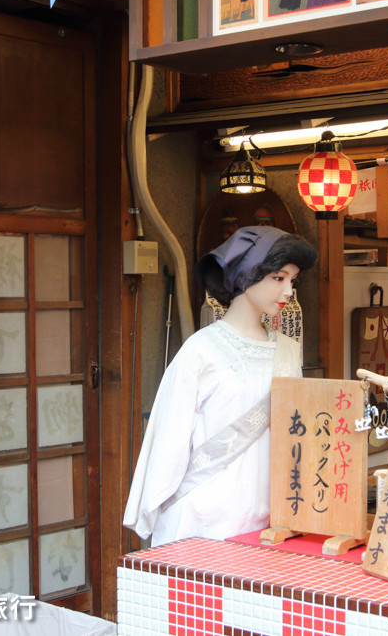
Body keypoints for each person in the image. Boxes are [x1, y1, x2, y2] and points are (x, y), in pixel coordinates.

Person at [123, 226, 318, 545]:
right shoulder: (201, 350)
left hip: (268, 516)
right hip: (204, 515)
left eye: (292, 281)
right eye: (279, 278)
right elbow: (170, 436)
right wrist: (152, 502)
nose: (288, 292)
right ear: (247, 275)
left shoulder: (287, 351)